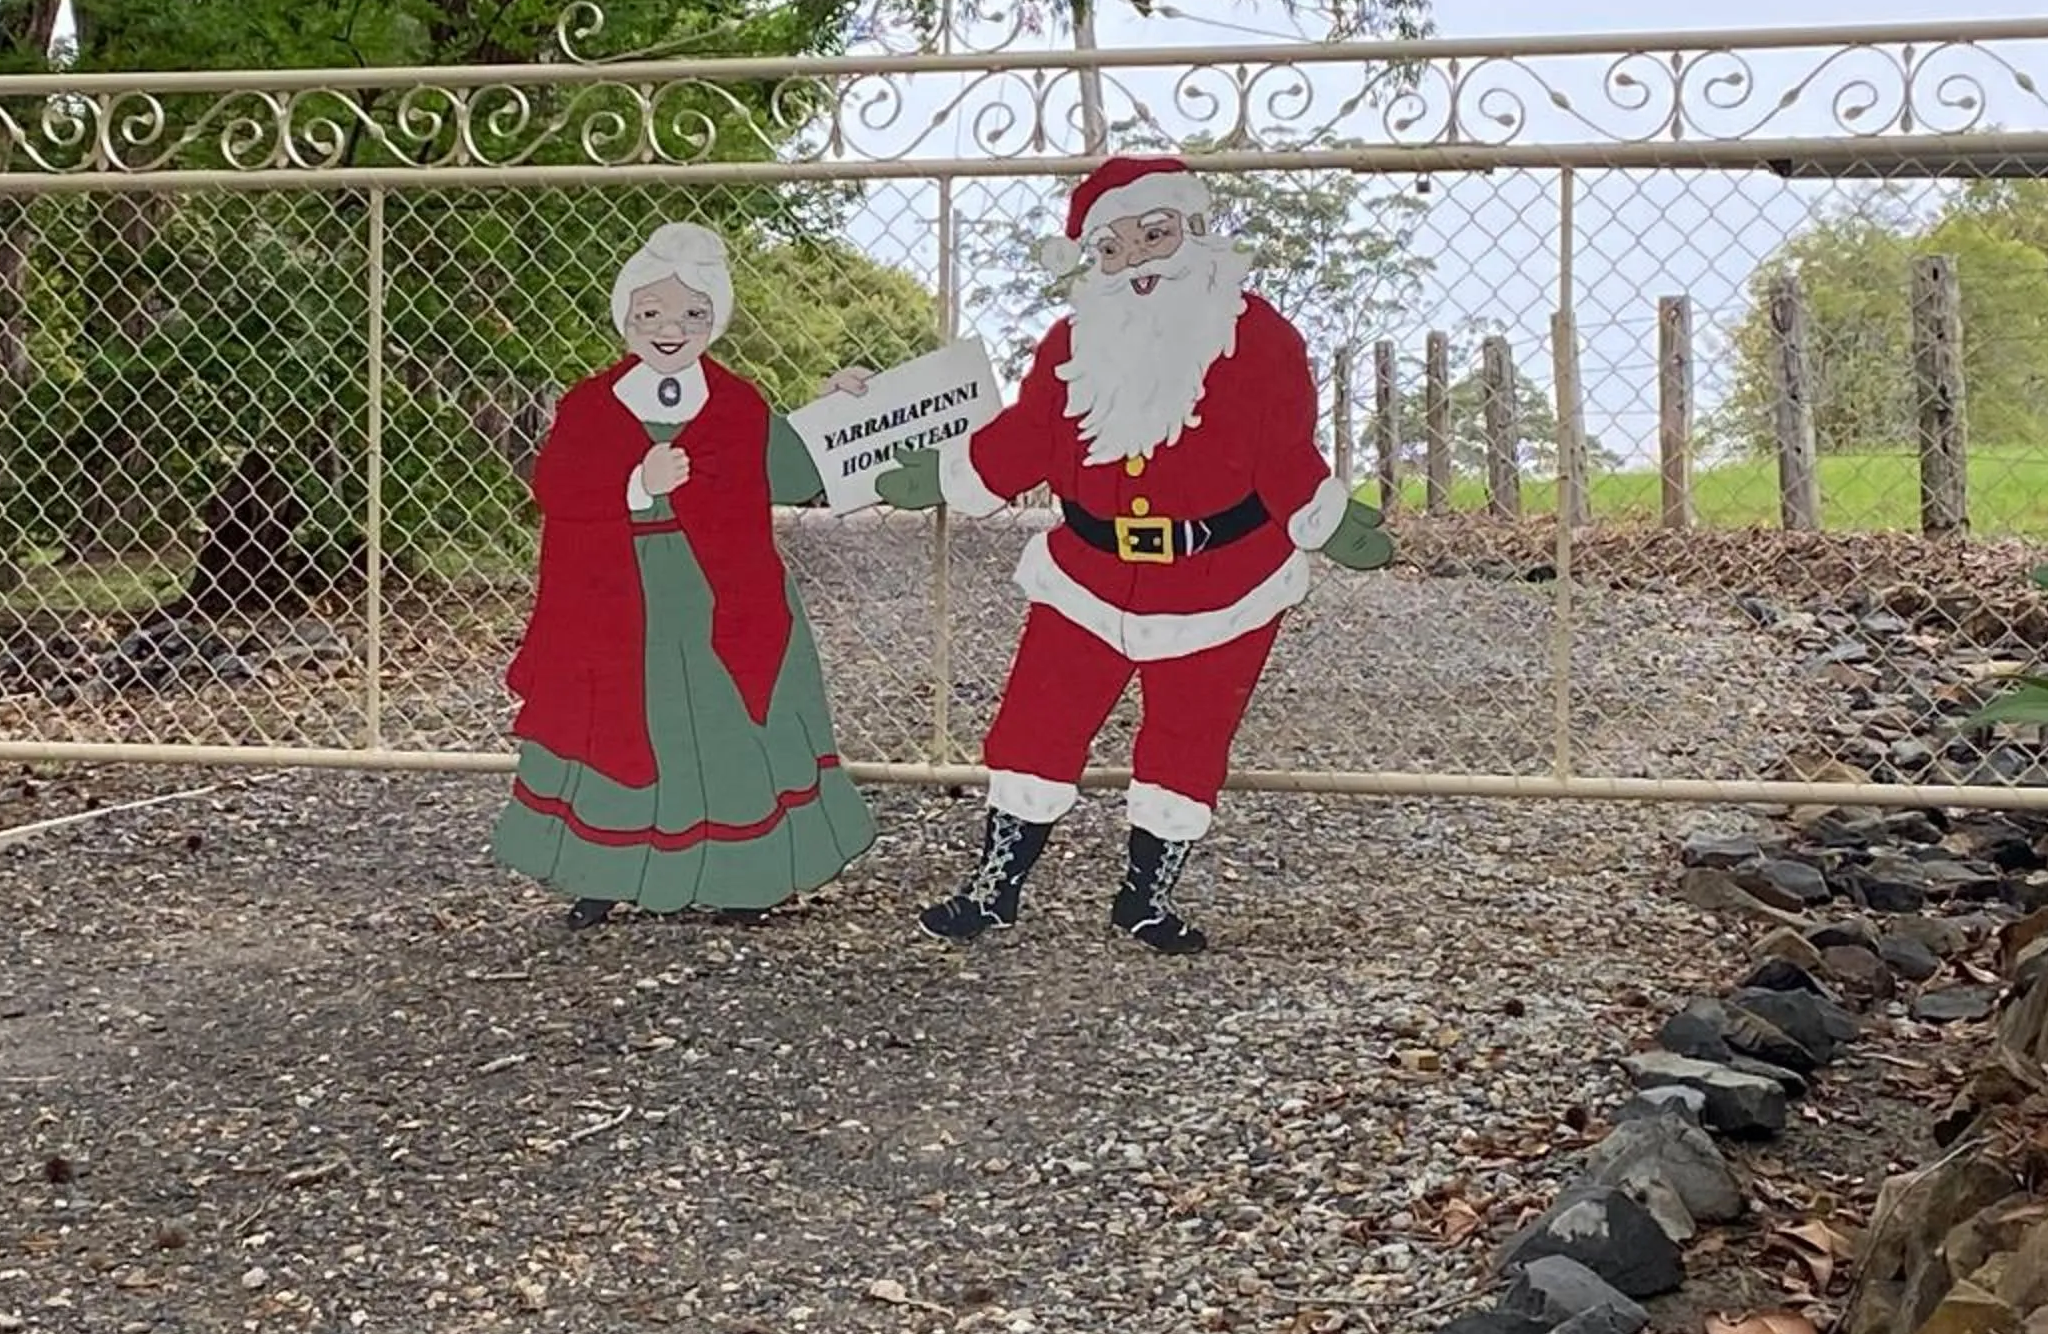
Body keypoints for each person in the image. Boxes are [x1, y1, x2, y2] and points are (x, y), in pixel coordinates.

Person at [875, 153, 1393, 954]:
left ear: (1193, 232)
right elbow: (1030, 438)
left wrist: (1327, 518)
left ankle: (1144, 899)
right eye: (1112, 250)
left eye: (1154, 237)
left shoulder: (1261, 340)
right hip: (1086, 573)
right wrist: (951, 473)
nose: (1137, 263)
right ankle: (995, 886)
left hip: (1224, 582)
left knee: (1188, 737)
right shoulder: (1072, 341)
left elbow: (1285, 452)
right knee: (1036, 722)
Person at [498, 222, 877, 926]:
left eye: (691, 315)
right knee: (620, 721)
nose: (670, 330)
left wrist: (839, 411)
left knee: (724, 725)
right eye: (651, 315)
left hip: (721, 597)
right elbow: (555, 486)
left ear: (714, 320)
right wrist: (635, 482)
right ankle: (605, 867)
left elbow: (794, 471)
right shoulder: (591, 403)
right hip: (616, 592)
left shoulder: (735, 404)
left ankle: (745, 873)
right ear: (627, 319)